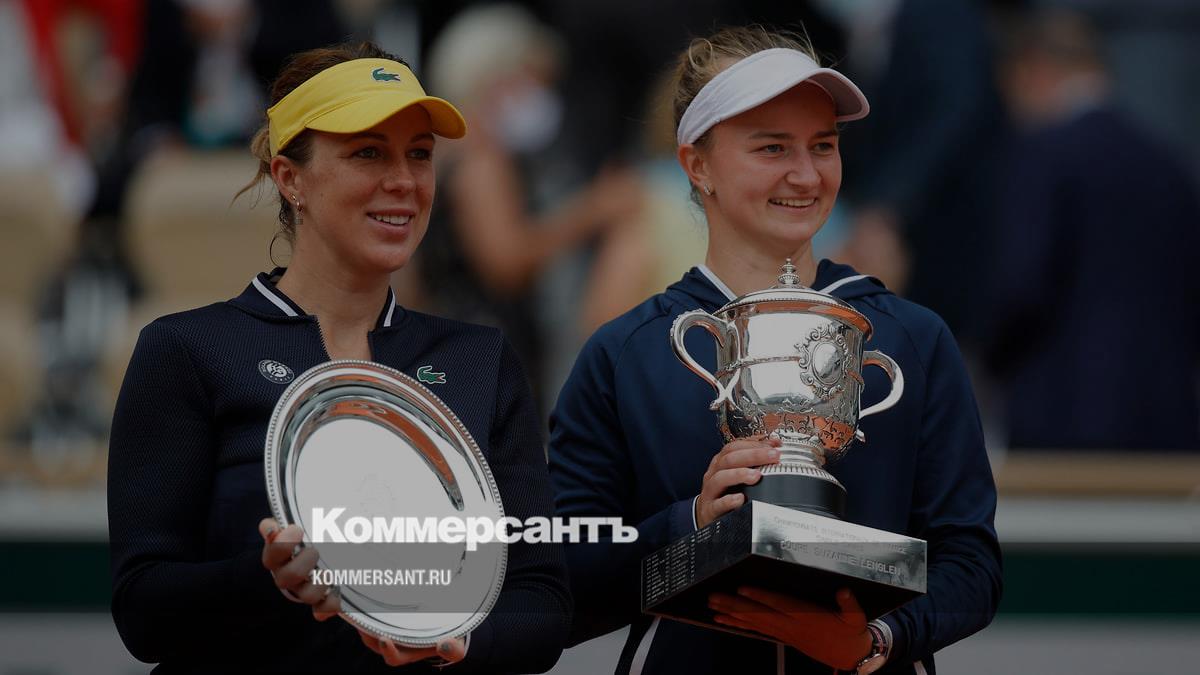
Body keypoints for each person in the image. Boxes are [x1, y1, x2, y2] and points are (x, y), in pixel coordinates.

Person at [548, 27, 1001, 674]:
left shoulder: (912, 337)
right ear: (697, 165)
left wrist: (875, 641)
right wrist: (691, 521)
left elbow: (971, 563)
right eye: (772, 147)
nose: (806, 174)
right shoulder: (624, 352)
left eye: (823, 145)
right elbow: (563, 579)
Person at [107, 42, 571, 673]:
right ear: (290, 178)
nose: (403, 181)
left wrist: (456, 642)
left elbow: (540, 598)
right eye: (367, 153)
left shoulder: (478, 359)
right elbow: (143, 611)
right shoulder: (188, 349)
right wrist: (268, 580)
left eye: (420, 154)